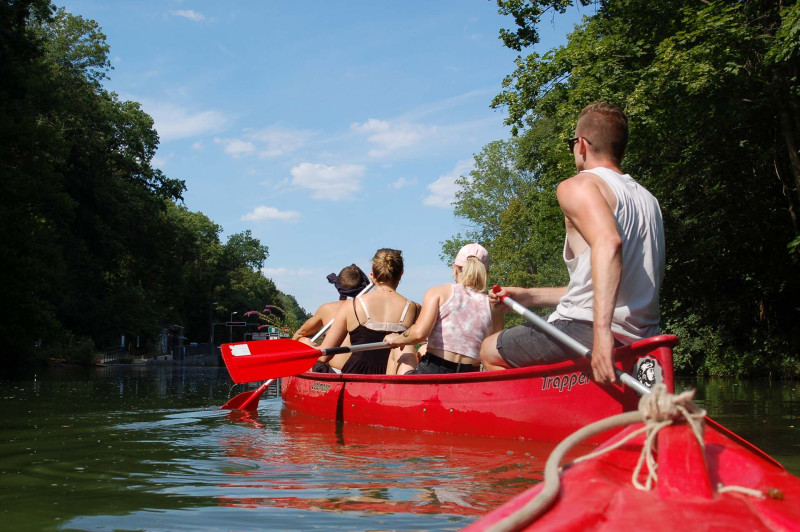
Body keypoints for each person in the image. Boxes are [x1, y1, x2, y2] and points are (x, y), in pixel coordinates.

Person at [480, 102, 665, 385]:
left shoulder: (579, 186)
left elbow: (608, 243)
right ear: (621, 149)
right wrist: (529, 296)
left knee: (489, 350)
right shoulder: (648, 200)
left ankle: (538, 422)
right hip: (645, 338)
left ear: (581, 145)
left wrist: (602, 335)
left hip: (592, 330)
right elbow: (600, 284)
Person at [384, 243, 504, 374]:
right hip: (469, 378)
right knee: (423, 348)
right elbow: (495, 353)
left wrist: (396, 339)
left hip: (433, 374)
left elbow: (419, 333)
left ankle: (387, 393)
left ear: (455, 268)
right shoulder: (494, 307)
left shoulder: (438, 293)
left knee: (404, 347)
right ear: (486, 273)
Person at [317, 248, 419, 375]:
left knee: (307, 344)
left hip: (355, 379)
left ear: (373, 274)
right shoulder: (414, 309)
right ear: (401, 273)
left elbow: (324, 356)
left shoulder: (352, 306)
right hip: (391, 380)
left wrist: (309, 345)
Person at [292, 264, 369, 344]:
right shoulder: (375, 308)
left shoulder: (326, 309)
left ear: (338, 286)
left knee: (303, 340)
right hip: (369, 355)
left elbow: (300, 333)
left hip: (336, 355)